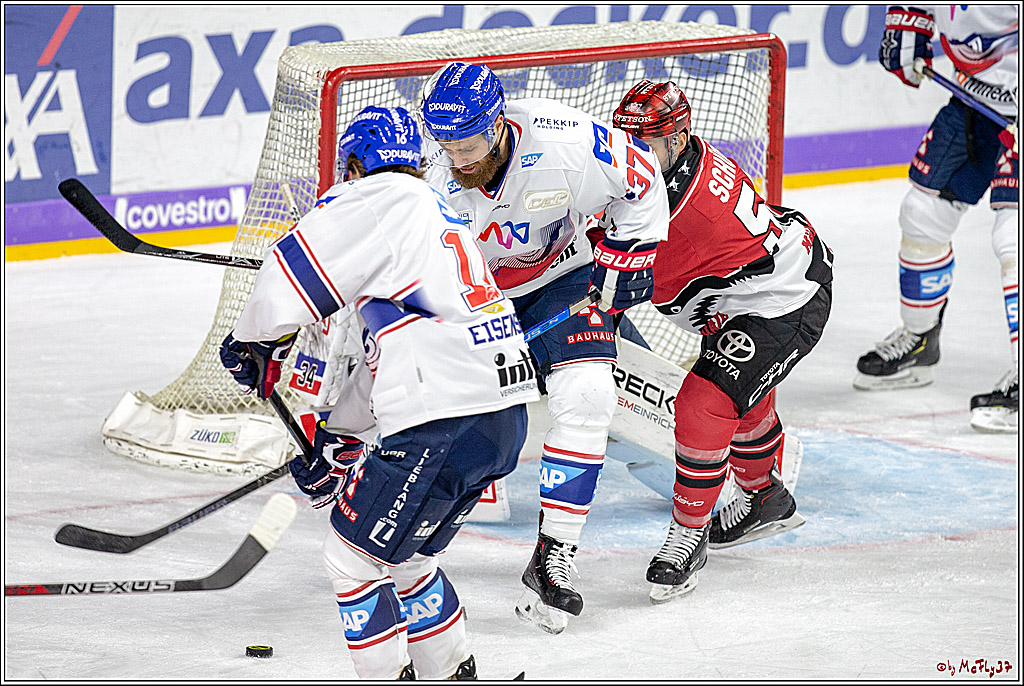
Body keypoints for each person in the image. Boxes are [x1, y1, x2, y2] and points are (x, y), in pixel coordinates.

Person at [219, 106, 539, 680]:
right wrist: (339, 441)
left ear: (352, 165)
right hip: (502, 417)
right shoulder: (435, 216)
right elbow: (386, 354)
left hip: (442, 417)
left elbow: (287, 270)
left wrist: (254, 342)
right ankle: (452, 672)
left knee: (350, 560)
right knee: (408, 559)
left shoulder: (374, 196)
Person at [419, 62, 670, 633]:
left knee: (589, 396)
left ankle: (553, 556)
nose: (459, 160)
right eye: (447, 146)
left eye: (470, 145)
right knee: (466, 429)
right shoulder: (428, 175)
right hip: (473, 301)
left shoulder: (564, 140)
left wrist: (630, 255)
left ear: (498, 125)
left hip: (562, 281)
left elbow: (642, 179)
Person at [611, 80, 834, 603]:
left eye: (646, 144)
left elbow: (618, 285)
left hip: (786, 300)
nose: (632, 155)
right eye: (626, 141)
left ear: (678, 139)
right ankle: (763, 497)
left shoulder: (686, 219)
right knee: (741, 396)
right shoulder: (671, 171)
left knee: (703, 403)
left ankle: (688, 534)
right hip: (749, 287)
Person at [856, 5, 1018, 433]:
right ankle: (920, 340)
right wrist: (909, 20)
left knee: (1013, 239)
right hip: (976, 99)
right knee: (921, 215)